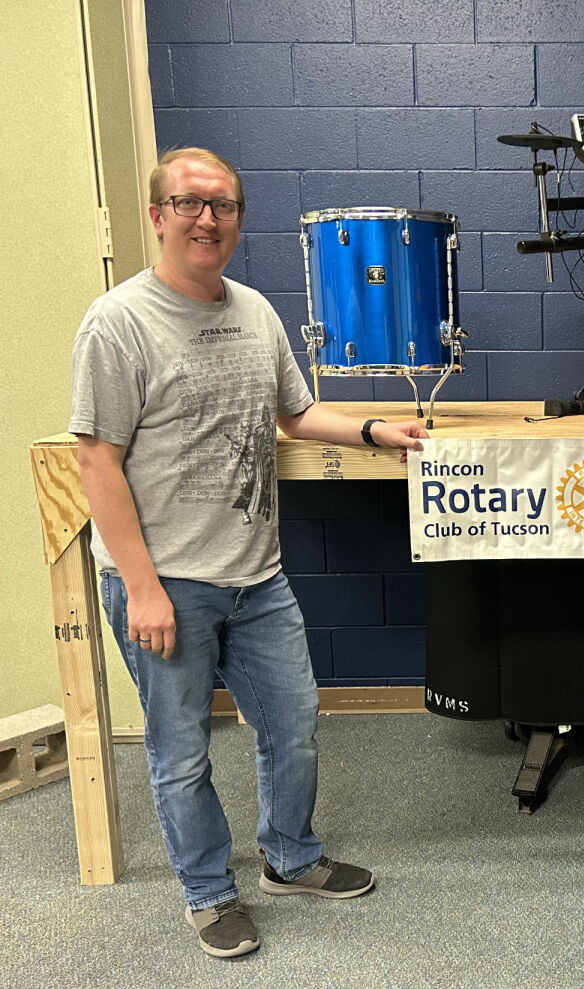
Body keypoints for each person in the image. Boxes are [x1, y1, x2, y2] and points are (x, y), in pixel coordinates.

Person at [69, 147, 428, 958]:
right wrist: (144, 586)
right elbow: (97, 460)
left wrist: (376, 431)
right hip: (167, 583)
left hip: (257, 576)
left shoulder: (255, 311)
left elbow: (296, 416)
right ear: (157, 214)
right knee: (181, 749)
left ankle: (290, 857)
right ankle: (207, 890)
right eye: (189, 203)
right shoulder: (118, 322)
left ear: (237, 218)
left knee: (293, 725)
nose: (206, 219)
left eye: (222, 205)